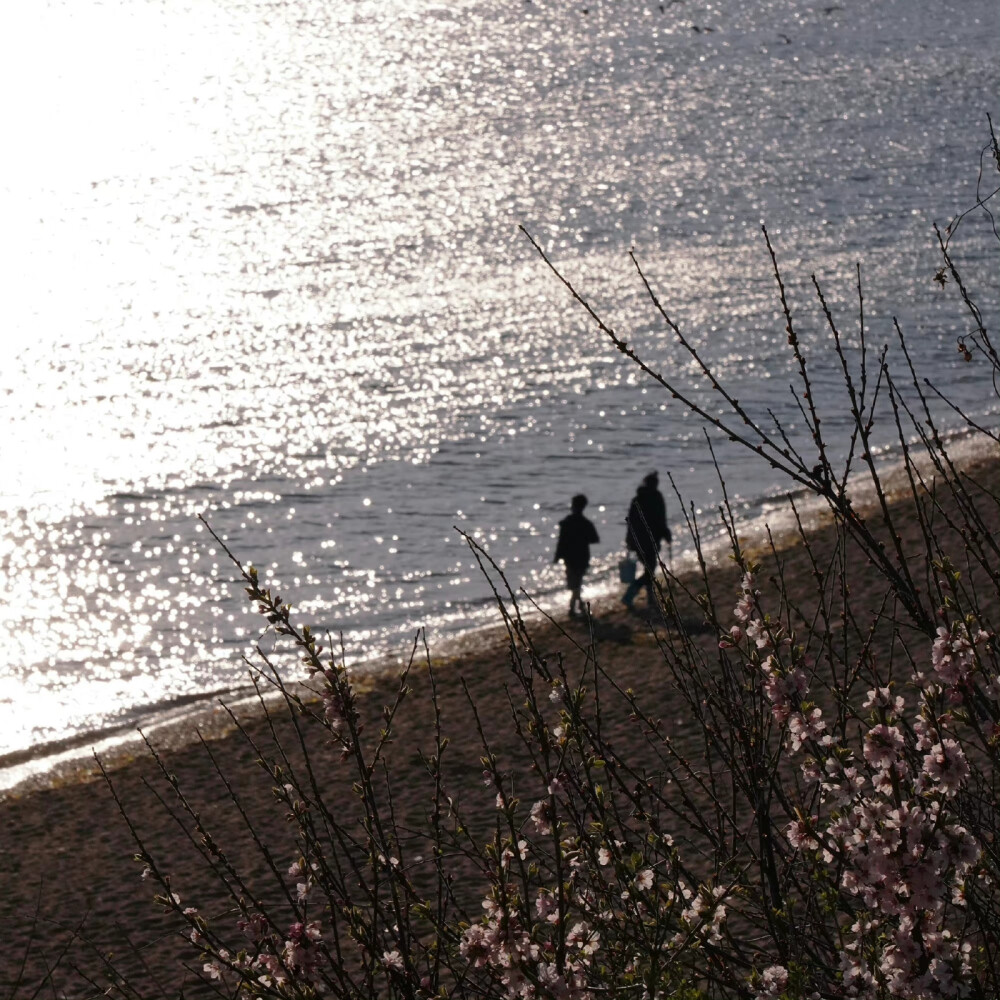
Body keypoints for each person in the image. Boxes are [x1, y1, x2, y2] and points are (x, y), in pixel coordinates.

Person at [622, 471, 670, 610]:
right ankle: (631, 596)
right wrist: (665, 533)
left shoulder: (637, 499)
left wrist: (629, 540)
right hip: (650, 540)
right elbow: (661, 519)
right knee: (650, 569)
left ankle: (649, 597)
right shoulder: (656, 497)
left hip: (640, 540)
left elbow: (630, 521)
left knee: (649, 569)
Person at [553, 494, 600, 618]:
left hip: (569, 558)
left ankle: (573, 607)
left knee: (574, 583)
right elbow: (595, 539)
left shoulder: (567, 523)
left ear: (572, 506)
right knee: (576, 583)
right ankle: (578, 605)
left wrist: (557, 557)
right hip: (582, 556)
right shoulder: (586, 523)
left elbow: (561, 542)